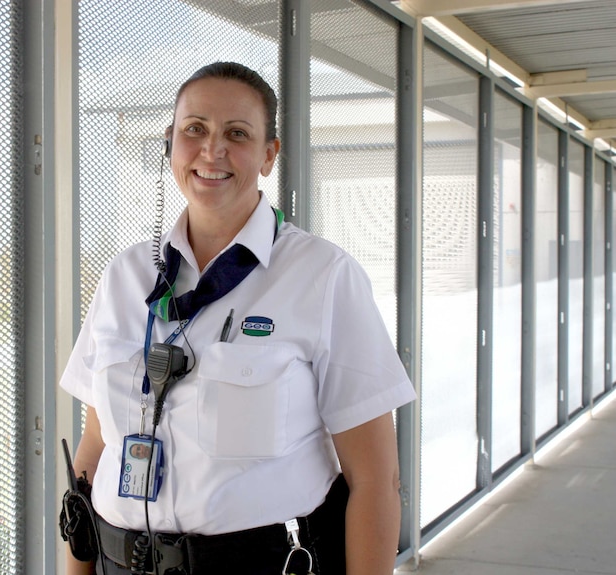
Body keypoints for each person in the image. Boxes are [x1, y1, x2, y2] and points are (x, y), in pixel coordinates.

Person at [59, 61, 416, 575]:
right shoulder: (126, 275)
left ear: (269, 154)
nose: (212, 150)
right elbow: (94, 451)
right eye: (195, 130)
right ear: (171, 143)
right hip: (121, 561)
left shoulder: (323, 276)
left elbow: (376, 481)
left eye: (238, 134)